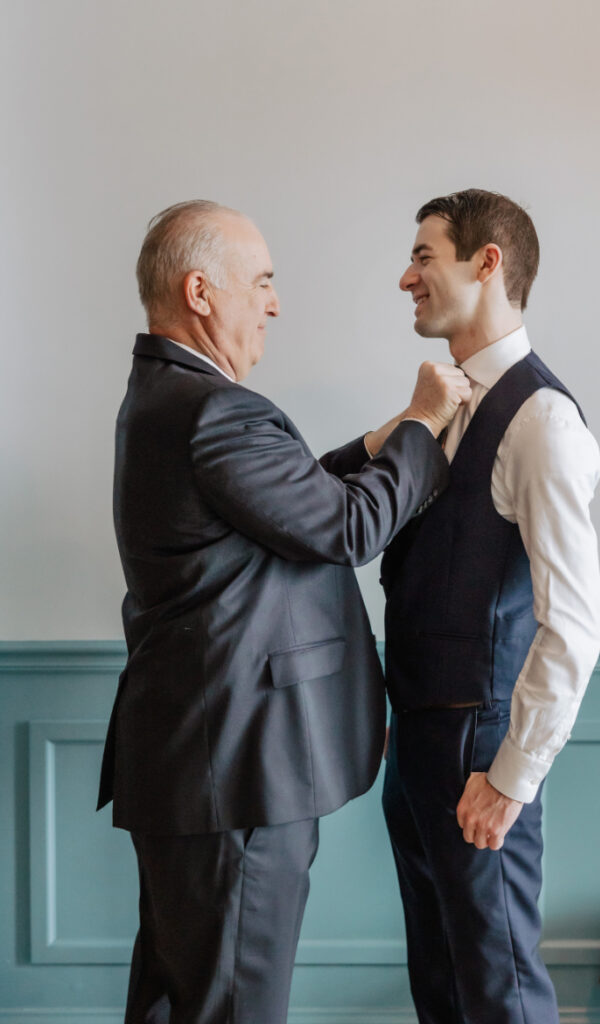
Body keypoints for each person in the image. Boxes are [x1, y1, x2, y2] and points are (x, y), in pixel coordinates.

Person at [96, 200, 470, 1024]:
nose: (272, 303)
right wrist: (421, 422)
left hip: (197, 765)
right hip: (238, 774)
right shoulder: (213, 411)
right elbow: (346, 526)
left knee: (176, 1000)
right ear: (201, 292)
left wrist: (374, 445)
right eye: (260, 282)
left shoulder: (166, 397)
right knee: (234, 1007)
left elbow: (282, 494)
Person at [379, 189, 600, 1024]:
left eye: (424, 256)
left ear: (488, 263)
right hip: (419, 737)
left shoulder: (543, 420)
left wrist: (510, 779)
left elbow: (573, 623)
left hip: (480, 748)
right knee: (442, 984)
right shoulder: (444, 401)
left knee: (500, 989)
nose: (407, 277)